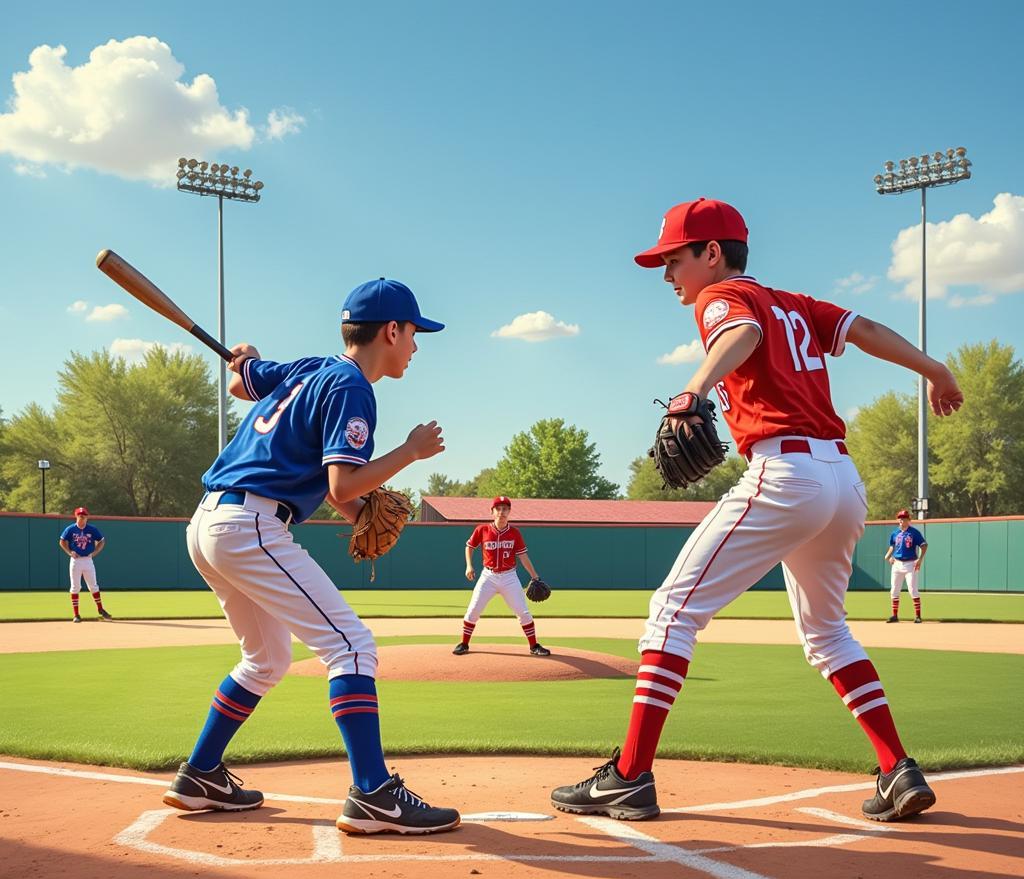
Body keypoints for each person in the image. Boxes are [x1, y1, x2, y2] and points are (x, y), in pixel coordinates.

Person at [550, 198, 964, 824]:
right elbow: (868, 330)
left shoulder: (719, 300)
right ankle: (896, 769)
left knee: (670, 612)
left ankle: (630, 777)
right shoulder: (796, 303)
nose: (668, 275)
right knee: (828, 633)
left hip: (786, 473)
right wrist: (935, 369)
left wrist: (692, 388)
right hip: (842, 480)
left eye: (673, 258)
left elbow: (740, 334)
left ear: (711, 253)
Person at [163, 278, 461, 836]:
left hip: (210, 522)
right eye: (415, 333)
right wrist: (409, 452)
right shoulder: (352, 388)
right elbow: (344, 485)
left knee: (267, 660)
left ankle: (200, 774)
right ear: (390, 331)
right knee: (351, 646)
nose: (416, 346)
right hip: (250, 525)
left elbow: (241, 382)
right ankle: (373, 792)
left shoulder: (307, 368)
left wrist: (246, 360)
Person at [453, 496, 550, 657]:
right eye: (498, 508)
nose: (501, 512)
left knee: (523, 613)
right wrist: (469, 566)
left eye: (505, 509)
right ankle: (464, 643)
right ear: (492, 512)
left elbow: (523, 555)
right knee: (472, 612)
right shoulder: (482, 530)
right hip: (488, 576)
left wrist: (535, 576)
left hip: (509, 577)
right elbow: (469, 546)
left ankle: (534, 646)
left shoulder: (514, 533)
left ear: (509, 512)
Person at [58, 507, 113, 622]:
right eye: (80, 515)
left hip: (88, 559)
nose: (82, 517)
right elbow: (62, 541)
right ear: (76, 516)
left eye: (84, 515)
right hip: (76, 560)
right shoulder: (71, 529)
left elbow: (102, 540)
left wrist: (95, 552)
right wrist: (69, 552)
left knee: (93, 586)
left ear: (87, 516)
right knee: (75, 587)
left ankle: (100, 610)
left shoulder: (92, 529)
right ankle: (76, 614)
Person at [885, 510, 927, 623]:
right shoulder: (895, 533)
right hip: (897, 564)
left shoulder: (914, 532)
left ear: (909, 520)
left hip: (910, 564)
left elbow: (924, 545)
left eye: (904, 518)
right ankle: (895, 616)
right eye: (900, 518)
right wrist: (888, 556)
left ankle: (918, 616)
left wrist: (920, 559)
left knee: (912, 590)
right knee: (894, 590)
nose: (901, 520)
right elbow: (892, 546)